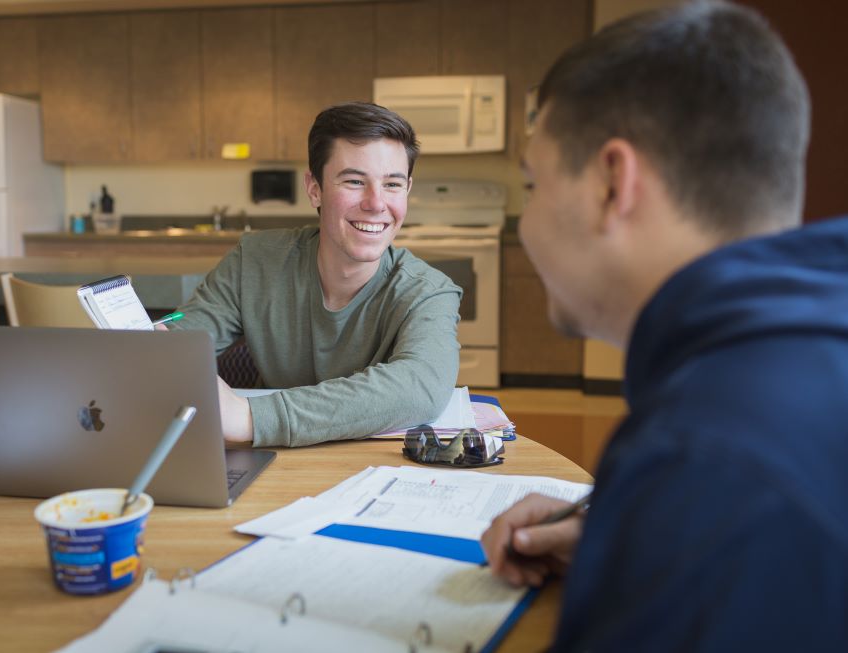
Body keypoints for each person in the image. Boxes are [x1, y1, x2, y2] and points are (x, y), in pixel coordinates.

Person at [482, 1, 848, 650]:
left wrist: (675, 526)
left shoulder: (699, 460)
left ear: (611, 183)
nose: (528, 221)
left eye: (532, 183)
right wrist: (627, 540)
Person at [168, 102, 462, 448]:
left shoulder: (429, 292)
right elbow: (180, 348)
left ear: (407, 190)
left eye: (393, 185)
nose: (376, 203)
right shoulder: (255, 261)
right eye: (354, 181)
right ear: (315, 189)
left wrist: (249, 418)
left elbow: (419, 388)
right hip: (272, 462)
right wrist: (157, 345)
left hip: (376, 468)